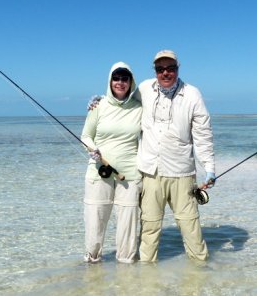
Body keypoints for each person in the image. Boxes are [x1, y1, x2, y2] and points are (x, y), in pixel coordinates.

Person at [136, 50, 215, 262]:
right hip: (150, 172)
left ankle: (201, 278)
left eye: (170, 68)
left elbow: (203, 134)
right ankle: (144, 281)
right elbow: (122, 100)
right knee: (149, 228)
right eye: (160, 69)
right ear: (155, 71)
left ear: (177, 69)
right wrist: (100, 104)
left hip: (182, 173)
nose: (165, 73)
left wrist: (209, 168)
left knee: (191, 227)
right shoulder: (143, 89)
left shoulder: (192, 94)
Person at [81, 62, 142, 264]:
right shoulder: (98, 106)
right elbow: (86, 136)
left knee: (128, 225)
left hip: (130, 174)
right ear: (110, 80)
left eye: (125, 78)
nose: (120, 82)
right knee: (95, 222)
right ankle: (92, 265)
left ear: (131, 82)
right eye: (116, 78)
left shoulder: (140, 107)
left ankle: (126, 270)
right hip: (99, 171)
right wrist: (92, 149)